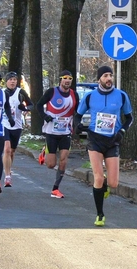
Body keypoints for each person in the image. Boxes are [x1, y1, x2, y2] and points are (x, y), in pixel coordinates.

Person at [74, 66, 133, 227]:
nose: (109, 79)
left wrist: (122, 131)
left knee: (113, 183)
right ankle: (100, 214)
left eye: (111, 76)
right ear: (99, 78)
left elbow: (129, 118)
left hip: (113, 140)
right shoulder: (90, 96)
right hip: (95, 139)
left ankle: (105, 186)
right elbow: (77, 115)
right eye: (105, 76)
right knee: (98, 177)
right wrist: (78, 126)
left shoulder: (121, 96)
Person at [36, 70, 79, 199]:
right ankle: (45, 151)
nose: (67, 81)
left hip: (65, 132)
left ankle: (55, 188)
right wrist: (45, 116)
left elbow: (78, 112)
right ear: (60, 80)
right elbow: (39, 105)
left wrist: (77, 124)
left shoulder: (74, 95)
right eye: (65, 78)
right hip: (51, 132)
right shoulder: (51, 92)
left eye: (70, 78)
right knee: (50, 165)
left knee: (64, 160)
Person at [2, 71, 33, 187]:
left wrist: (24, 108)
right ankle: (7, 176)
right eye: (10, 79)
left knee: (12, 151)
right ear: (6, 81)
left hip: (17, 125)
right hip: (4, 124)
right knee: (7, 149)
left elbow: (31, 105)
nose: (12, 82)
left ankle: (8, 169)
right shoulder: (1, 93)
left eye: (14, 80)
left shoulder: (21, 92)